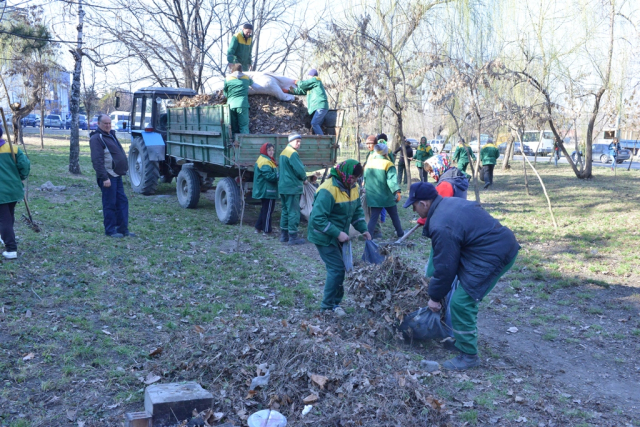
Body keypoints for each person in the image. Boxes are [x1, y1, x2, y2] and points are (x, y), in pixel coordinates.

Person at [404, 182, 520, 370]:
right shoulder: (447, 205)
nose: (413, 211)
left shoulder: (441, 224)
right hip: (488, 248)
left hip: (494, 254)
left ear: (424, 203)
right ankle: (461, 341)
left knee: (461, 302)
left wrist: (434, 297)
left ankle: (469, 356)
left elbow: (446, 266)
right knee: (459, 297)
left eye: (414, 206)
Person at [308, 160, 371, 316]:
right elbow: (317, 219)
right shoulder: (327, 190)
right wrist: (338, 233)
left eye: (357, 179)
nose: (355, 181)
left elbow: (357, 212)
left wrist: (364, 229)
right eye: (353, 178)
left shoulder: (354, 188)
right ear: (344, 174)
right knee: (336, 269)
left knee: (341, 268)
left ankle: (335, 303)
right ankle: (327, 307)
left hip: (340, 235)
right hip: (323, 235)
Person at [89, 114, 133, 238]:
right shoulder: (97, 138)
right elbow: (97, 160)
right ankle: (110, 230)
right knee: (110, 204)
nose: (108, 125)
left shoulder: (111, 135)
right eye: (105, 123)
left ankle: (123, 229)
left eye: (109, 123)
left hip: (117, 175)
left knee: (122, 202)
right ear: (99, 124)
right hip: (108, 177)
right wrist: (104, 178)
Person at [0, 127, 30, 260]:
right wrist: (21, 176)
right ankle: (4, 235)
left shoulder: (13, 149)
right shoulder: (13, 148)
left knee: (4, 219)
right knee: (8, 215)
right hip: (13, 189)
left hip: (2, 191)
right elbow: (24, 165)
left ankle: (11, 248)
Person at [364, 143, 404, 238]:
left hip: (373, 196)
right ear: (386, 153)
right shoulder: (388, 164)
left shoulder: (369, 163)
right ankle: (400, 233)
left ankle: (368, 236)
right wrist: (397, 192)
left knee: (373, 217)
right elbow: (391, 180)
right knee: (394, 216)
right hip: (387, 196)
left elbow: (365, 178)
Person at [278, 134, 307, 245]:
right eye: (297, 141)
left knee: (285, 210)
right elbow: (299, 170)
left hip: (283, 187)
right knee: (293, 211)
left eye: (300, 141)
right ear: (290, 141)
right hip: (292, 187)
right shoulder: (293, 153)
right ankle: (293, 237)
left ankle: (284, 235)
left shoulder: (283, 153)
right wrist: (304, 178)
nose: (298, 144)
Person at [287, 69, 329, 135]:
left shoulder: (316, 79)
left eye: (308, 76)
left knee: (314, 123)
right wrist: (288, 90)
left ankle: (322, 141)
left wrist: (296, 81)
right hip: (317, 107)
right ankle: (319, 139)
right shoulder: (311, 86)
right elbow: (299, 91)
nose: (308, 78)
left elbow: (303, 84)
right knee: (316, 125)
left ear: (311, 75)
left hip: (320, 106)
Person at [253, 143, 278, 234]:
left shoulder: (264, 159)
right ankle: (266, 230)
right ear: (265, 151)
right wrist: (279, 175)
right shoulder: (265, 162)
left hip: (264, 189)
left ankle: (258, 227)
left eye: (272, 150)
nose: (271, 152)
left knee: (265, 209)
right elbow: (269, 176)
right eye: (269, 150)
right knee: (268, 211)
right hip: (268, 190)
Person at [223, 64, 253, 135]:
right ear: (241, 70)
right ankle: (245, 144)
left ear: (232, 71)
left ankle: (234, 144)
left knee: (234, 127)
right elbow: (252, 83)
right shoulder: (246, 77)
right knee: (243, 126)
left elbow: (225, 92)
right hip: (242, 104)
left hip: (230, 106)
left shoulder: (227, 79)